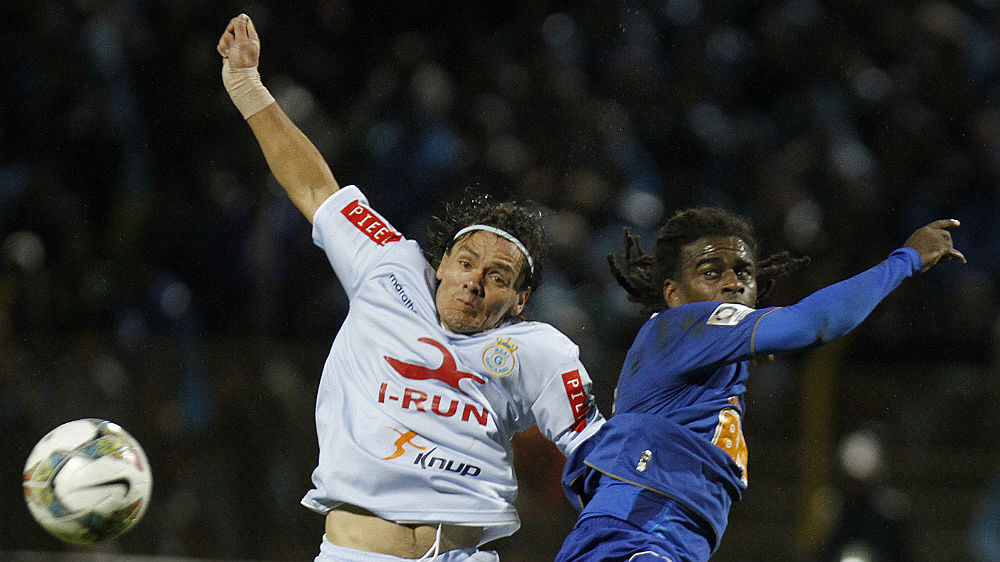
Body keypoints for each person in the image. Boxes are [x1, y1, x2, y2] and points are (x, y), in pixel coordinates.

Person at [216, 13, 605, 562]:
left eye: (497, 277)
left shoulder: (541, 351)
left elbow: (597, 452)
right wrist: (247, 86)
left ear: (519, 301)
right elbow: (313, 184)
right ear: (440, 262)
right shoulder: (388, 267)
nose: (474, 283)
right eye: (466, 262)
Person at [556, 206, 965, 562]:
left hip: (647, 536)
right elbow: (815, 322)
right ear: (674, 294)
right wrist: (906, 259)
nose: (733, 283)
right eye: (711, 272)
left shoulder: (694, 356)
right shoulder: (682, 325)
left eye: (743, 272)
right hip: (635, 539)